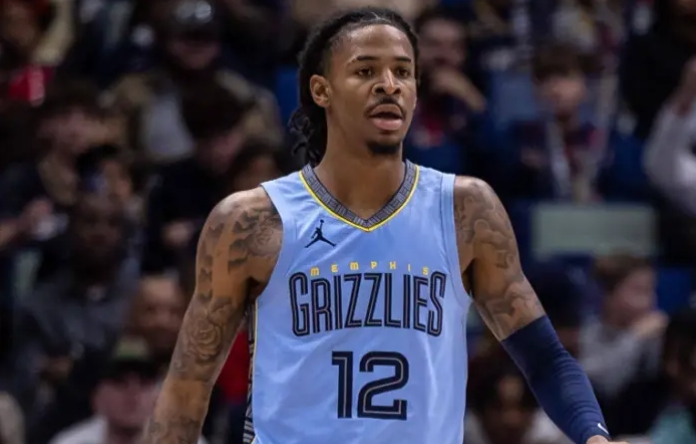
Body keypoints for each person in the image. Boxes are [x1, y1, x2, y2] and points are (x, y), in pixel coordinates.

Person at [145, 7, 625, 444]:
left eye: (403, 71)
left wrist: (594, 436)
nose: (389, 85)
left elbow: (544, 357)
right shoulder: (253, 221)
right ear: (321, 90)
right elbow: (187, 387)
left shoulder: (465, 210)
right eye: (366, 71)